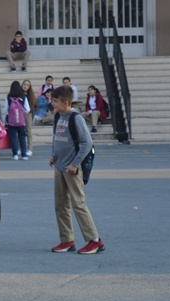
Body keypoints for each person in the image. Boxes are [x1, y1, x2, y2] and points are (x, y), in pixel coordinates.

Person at [49, 85, 105, 254]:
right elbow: (56, 137)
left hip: (71, 169)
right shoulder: (58, 116)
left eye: (55, 100)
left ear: (66, 102)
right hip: (59, 167)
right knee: (60, 205)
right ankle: (66, 240)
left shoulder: (76, 118)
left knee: (78, 204)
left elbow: (87, 143)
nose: (52, 103)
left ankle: (94, 240)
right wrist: (53, 154)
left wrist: (75, 164)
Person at [4, 81, 30, 160]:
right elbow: (28, 109)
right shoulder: (23, 97)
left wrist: (5, 120)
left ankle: (15, 154)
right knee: (22, 137)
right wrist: (22, 113)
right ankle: (24, 155)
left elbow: (5, 110)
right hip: (21, 122)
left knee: (13, 138)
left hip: (11, 122)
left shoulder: (9, 98)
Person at [22, 79, 37, 157]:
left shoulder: (31, 96)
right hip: (20, 114)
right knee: (20, 131)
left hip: (28, 114)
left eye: (27, 85)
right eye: (24, 84)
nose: (25, 86)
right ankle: (19, 148)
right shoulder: (19, 94)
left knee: (28, 131)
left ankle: (30, 149)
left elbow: (33, 106)